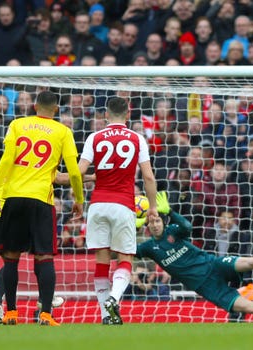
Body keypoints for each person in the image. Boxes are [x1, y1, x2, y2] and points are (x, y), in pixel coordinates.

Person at [136, 192, 253, 322]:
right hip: (206, 287)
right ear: (147, 226)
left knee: (252, 261)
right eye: (150, 222)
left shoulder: (173, 231)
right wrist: (132, 226)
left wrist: (170, 212)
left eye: (157, 220)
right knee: (251, 308)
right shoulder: (149, 247)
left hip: (213, 264)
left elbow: (187, 227)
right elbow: (128, 251)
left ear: (162, 221)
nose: (155, 224)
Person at [0, 90, 84, 326]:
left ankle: (11, 313)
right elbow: (73, 171)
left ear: (34, 106)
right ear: (56, 110)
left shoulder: (17, 124)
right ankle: (46, 315)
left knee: (11, 258)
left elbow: (7, 159)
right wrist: (79, 199)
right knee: (44, 257)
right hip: (42, 200)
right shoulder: (63, 131)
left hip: (13, 197)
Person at [78, 97, 158, 325]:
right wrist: (152, 207)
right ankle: (114, 298)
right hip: (123, 204)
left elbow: (79, 172)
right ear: (128, 113)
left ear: (106, 114)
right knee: (125, 259)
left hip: (97, 204)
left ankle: (106, 315)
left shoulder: (94, 137)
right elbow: (148, 176)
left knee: (102, 261)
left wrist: (77, 194)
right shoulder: (137, 138)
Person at [0, 172, 94, 323]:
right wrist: (92, 177)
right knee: (41, 254)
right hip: (13, 211)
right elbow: (63, 177)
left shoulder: (16, 159)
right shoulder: (39, 164)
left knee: (10, 260)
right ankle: (45, 299)